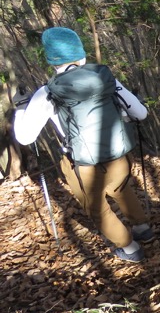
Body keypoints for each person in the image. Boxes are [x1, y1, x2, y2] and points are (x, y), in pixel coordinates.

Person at [13, 26, 152, 263]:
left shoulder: (47, 93)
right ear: (81, 53)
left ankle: (130, 248)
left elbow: (25, 138)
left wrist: (20, 109)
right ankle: (143, 228)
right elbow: (141, 113)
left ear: (51, 60)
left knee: (97, 207)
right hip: (118, 154)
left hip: (82, 161)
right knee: (120, 188)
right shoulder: (107, 79)